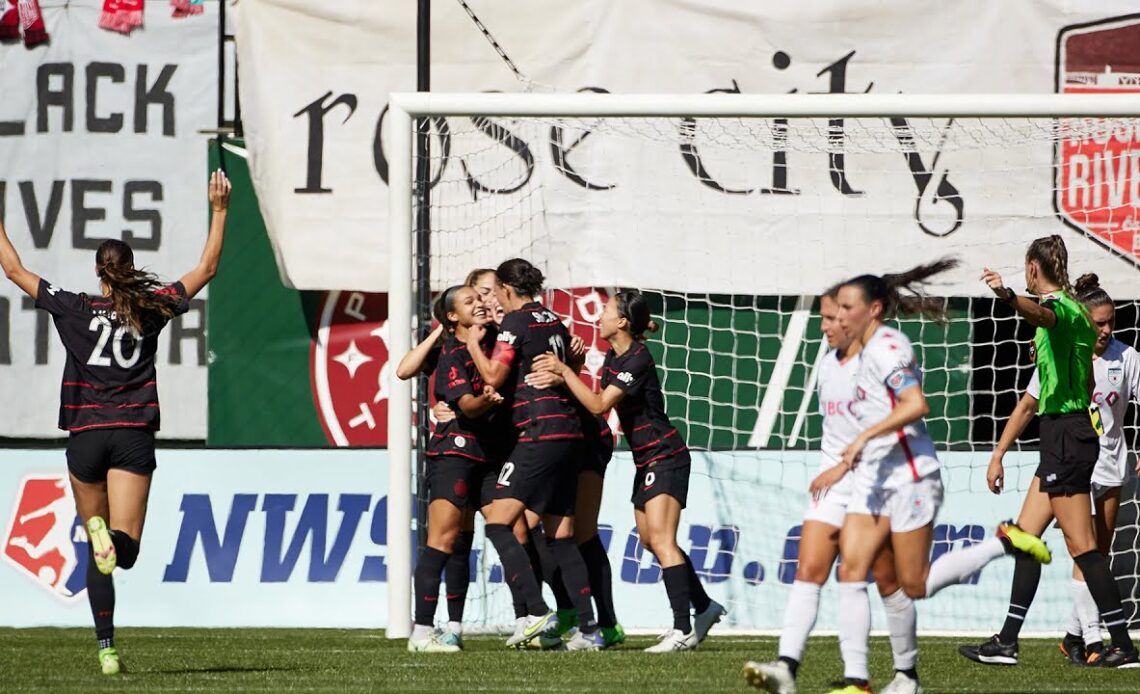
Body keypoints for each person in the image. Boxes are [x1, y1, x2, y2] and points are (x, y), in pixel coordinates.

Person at [0, 170, 231, 675]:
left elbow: (14, 269)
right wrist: (219, 210)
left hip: (85, 435)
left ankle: (107, 649)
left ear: (99, 273)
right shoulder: (151, 307)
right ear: (129, 269)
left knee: (93, 543)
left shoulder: (74, 307)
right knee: (122, 552)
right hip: (132, 437)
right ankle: (112, 538)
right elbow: (208, 267)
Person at [808, 259, 1052, 694]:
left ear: (874, 310)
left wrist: (861, 440)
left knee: (912, 584)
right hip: (875, 478)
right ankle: (868, 682)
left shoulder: (888, 348)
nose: (840, 315)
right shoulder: (845, 357)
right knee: (863, 574)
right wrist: (847, 459)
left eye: (848, 306)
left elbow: (916, 405)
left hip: (912, 477)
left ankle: (1004, 541)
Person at [960, 243, 1140, 669]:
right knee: (1025, 536)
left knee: (1084, 548)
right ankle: (1006, 641)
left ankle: (1120, 643)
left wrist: (1006, 296)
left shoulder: (1060, 309)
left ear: (1032, 267)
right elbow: (1033, 386)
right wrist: (999, 453)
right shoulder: (1068, 312)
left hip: (1067, 434)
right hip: (1061, 434)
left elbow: (1043, 315)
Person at [744, 288, 918, 694]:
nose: (823, 326)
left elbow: (904, 419)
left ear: (852, 318)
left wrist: (848, 465)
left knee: (882, 578)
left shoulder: (883, 359)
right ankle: (787, 667)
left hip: (874, 480)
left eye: (829, 318)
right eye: (821, 318)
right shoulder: (827, 363)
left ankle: (901, 675)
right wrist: (835, 468)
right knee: (809, 571)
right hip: (832, 482)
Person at [532, 289, 726, 653]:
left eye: (606, 311)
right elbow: (598, 405)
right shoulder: (615, 354)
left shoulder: (637, 358)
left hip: (665, 454)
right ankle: (703, 606)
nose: (599, 316)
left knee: (662, 539)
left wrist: (563, 372)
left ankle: (682, 628)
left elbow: (598, 404)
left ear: (621, 321)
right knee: (651, 540)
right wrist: (571, 372)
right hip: (646, 457)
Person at [465, 258, 603, 650]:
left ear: (508, 289)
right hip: (569, 434)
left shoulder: (517, 322)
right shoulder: (554, 321)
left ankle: (538, 610)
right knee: (561, 535)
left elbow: (494, 376)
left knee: (498, 523)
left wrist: (475, 346)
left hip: (539, 432)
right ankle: (589, 631)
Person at [407, 285, 510, 653]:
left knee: (487, 535)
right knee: (443, 540)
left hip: (485, 455)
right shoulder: (449, 352)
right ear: (452, 316)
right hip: (453, 454)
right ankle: (420, 632)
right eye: (471, 300)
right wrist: (479, 400)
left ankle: (454, 627)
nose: (481, 303)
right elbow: (406, 371)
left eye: (483, 298)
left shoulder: (493, 345)